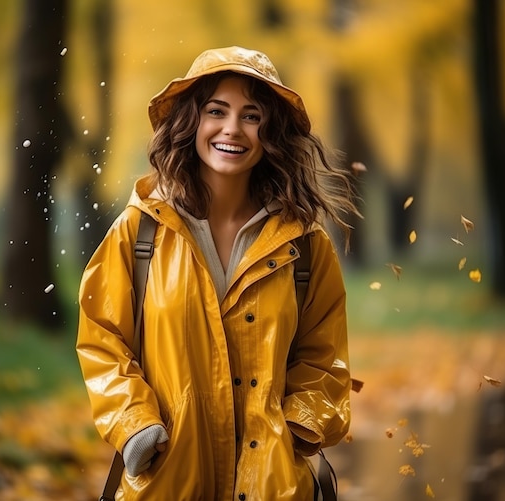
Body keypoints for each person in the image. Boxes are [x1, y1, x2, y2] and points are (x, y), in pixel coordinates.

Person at [76, 46, 360, 501]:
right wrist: (134, 426)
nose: (232, 129)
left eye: (251, 116)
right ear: (192, 121)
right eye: (216, 111)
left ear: (272, 132)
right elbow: (102, 338)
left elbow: (324, 357)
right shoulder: (139, 229)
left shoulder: (305, 245)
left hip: (274, 485)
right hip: (168, 481)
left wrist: (299, 424)